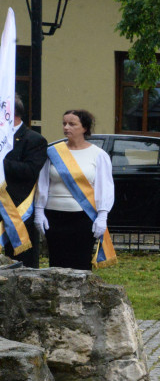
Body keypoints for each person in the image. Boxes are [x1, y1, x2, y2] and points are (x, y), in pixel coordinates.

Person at [34, 109, 116, 270]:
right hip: (54, 217)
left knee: (80, 262)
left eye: (72, 124)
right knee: (57, 261)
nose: (66, 127)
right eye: (64, 123)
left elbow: (105, 187)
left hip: (82, 217)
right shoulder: (52, 153)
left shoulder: (98, 155)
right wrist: (39, 211)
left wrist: (102, 215)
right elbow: (42, 183)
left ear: (84, 128)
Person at [2, 98, 48, 267]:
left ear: (11, 113)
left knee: (21, 265)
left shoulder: (34, 139)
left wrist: (1, 163)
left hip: (18, 209)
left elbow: (30, 171)